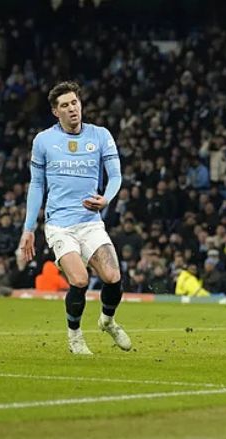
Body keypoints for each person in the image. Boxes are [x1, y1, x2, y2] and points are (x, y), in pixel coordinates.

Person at [18, 81, 131, 355]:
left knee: (113, 276)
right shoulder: (43, 141)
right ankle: (75, 336)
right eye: (65, 105)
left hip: (90, 223)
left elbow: (115, 175)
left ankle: (107, 320)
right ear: (56, 112)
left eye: (75, 103)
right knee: (79, 280)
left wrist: (106, 198)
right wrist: (28, 228)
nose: (72, 109)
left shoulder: (100, 135)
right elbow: (37, 185)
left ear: (81, 104)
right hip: (59, 225)